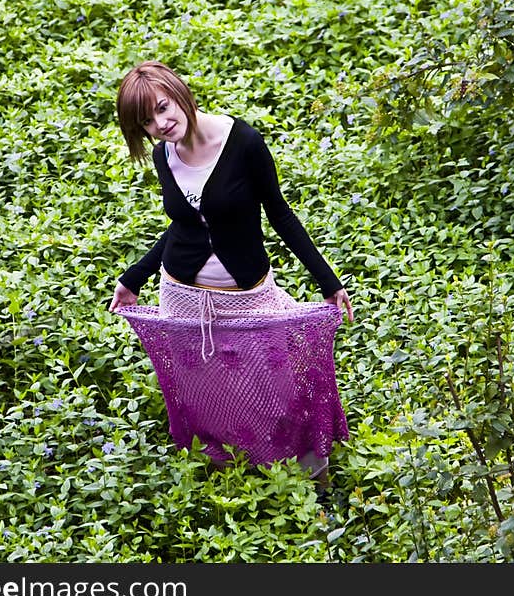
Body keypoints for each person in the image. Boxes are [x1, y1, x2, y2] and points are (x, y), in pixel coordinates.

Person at [108, 60, 353, 487]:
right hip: (182, 296)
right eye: (146, 122)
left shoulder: (243, 142)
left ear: (180, 94)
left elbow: (279, 214)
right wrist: (133, 279)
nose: (161, 124)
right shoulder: (166, 153)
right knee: (206, 389)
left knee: (279, 385)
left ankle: (313, 480)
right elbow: (186, 225)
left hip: (246, 293)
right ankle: (232, 474)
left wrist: (328, 282)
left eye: (163, 108)